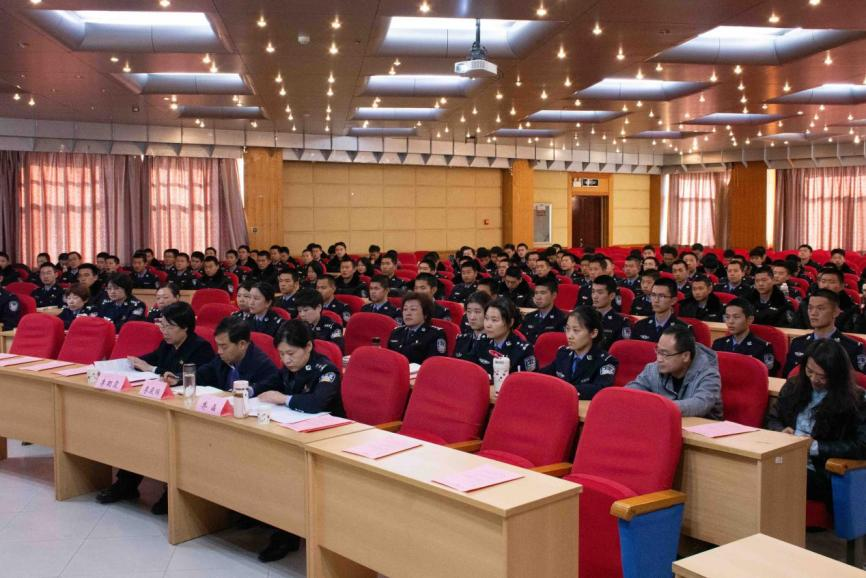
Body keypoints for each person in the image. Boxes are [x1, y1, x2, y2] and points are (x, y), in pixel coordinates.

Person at [96, 302, 215, 513]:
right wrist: (129, 363)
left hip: (187, 410)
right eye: (162, 325)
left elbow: (187, 377)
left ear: (185, 327)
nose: (164, 331)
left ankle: (171, 492)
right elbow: (147, 360)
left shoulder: (200, 348)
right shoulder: (167, 345)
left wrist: (153, 369)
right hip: (161, 404)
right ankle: (126, 484)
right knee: (138, 429)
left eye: (170, 327)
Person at [252, 320, 344, 561]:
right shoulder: (289, 368)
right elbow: (270, 383)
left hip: (327, 440)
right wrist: (249, 391)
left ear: (308, 347)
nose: (286, 360)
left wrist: (283, 399)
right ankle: (265, 518)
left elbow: (316, 403)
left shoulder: (326, 371)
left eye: (291, 353)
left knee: (285, 472)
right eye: (281, 354)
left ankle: (286, 536)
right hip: (295, 433)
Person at [767, 340, 866, 510]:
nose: (814, 379)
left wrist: (815, 446)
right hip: (786, 457)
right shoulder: (794, 386)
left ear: (837, 375)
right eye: (809, 371)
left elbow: (861, 447)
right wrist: (781, 431)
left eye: (822, 376)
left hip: (822, 470)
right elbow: (772, 418)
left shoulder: (856, 400)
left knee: (774, 474)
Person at [627, 324, 723, 419]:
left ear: (685, 356)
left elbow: (700, 405)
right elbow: (630, 392)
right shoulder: (653, 368)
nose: (659, 359)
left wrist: (658, 406)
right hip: (664, 422)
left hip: (702, 427)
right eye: (658, 351)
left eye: (665, 354)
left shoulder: (709, 374)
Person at [539, 306, 618, 400]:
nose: (570, 336)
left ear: (593, 333)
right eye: (567, 329)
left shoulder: (605, 361)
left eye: (576, 330)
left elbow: (601, 389)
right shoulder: (563, 354)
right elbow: (543, 376)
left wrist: (563, 391)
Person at [784, 289, 866, 376]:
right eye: (810, 308)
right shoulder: (797, 343)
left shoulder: (852, 348)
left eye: (820, 308)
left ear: (836, 312)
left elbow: (858, 381)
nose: (813, 313)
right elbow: (788, 377)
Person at [193, 316, 279, 393]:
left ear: (242, 344)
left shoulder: (263, 367)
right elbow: (201, 375)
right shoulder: (222, 358)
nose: (219, 351)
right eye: (218, 345)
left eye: (224, 346)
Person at [461, 297, 536, 379]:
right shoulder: (481, 341)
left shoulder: (523, 350)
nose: (488, 325)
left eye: (494, 320)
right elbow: (469, 370)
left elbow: (528, 382)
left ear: (510, 322)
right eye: (486, 318)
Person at [712, 298, 777, 374]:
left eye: (736, 317)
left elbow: (766, 375)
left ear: (750, 319)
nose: (730, 321)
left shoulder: (762, 347)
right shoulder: (718, 344)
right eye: (727, 317)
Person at [387, 292, 447, 364]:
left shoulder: (435, 334)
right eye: (405, 309)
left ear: (425, 313)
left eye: (413, 309)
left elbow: (434, 364)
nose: (408, 313)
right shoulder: (396, 332)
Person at [631, 278, 691, 342]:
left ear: (673, 301)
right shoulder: (640, 325)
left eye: (661, 296)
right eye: (653, 295)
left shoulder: (683, 330)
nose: (656, 300)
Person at [519, 279, 567, 344]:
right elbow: (520, 340)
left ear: (554, 295)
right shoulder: (529, 317)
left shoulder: (562, 319)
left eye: (543, 293)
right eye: (536, 293)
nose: (538, 297)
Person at [591, 275, 632, 349]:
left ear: (612, 296)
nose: (595, 296)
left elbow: (620, 349)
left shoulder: (621, 322)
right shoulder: (584, 316)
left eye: (600, 293)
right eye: (593, 292)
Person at [454, 291, 492, 359]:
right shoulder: (462, 340)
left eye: (477, 312)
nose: (472, 317)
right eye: (469, 311)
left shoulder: (495, 344)